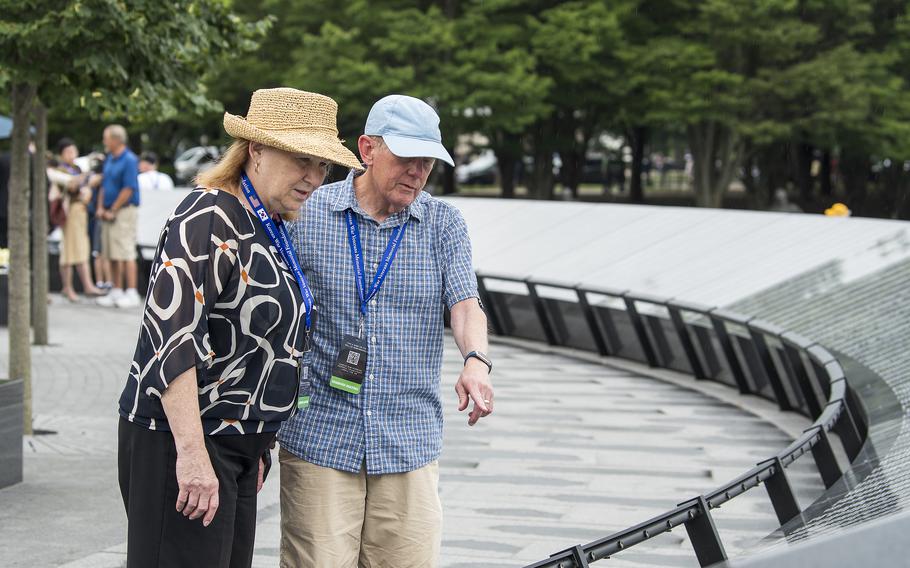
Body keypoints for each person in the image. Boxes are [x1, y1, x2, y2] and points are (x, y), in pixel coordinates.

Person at [117, 87, 362, 568]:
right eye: (302, 161)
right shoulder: (209, 214)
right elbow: (171, 342)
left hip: (236, 446)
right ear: (256, 149)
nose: (314, 178)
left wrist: (259, 446)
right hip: (186, 441)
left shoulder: (269, 220)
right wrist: (191, 456)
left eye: (323, 166)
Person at [278, 94, 495, 567]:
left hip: (408, 439)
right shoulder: (309, 211)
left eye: (428, 162)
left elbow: (465, 302)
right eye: (406, 158)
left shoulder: (443, 224)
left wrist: (475, 360)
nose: (418, 172)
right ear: (367, 149)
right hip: (320, 434)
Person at [45, 138, 103, 301]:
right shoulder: (61, 170)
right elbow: (72, 185)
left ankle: (86, 285)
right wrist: (87, 177)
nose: (72, 154)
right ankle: (68, 287)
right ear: (62, 154)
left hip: (81, 211)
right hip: (69, 212)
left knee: (82, 248)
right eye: (68, 152)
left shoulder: (76, 168)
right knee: (69, 251)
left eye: (73, 151)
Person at [95, 125, 142, 308]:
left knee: (125, 251)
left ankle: (131, 292)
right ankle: (116, 290)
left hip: (123, 211)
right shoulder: (110, 159)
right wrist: (100, 207)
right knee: (111, 252)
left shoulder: (129, 159)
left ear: (116, 140)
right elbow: (105, 185)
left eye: (106, 138)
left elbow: (129, 188)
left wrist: (113, 209)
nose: (104, 141)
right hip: (108, 211)